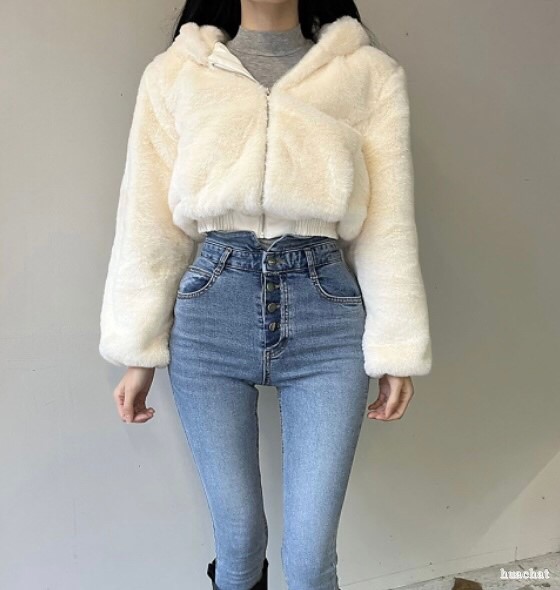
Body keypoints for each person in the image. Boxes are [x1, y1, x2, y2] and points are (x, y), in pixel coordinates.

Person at [99, 1, 433, 588]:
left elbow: (387, 223)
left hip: (326, 316)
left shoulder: (368, 74)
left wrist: (396, 345)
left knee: (309, 559)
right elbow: (148, 221)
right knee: (238, 542)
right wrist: (138, 348)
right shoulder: (175, 73)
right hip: (211, 312)